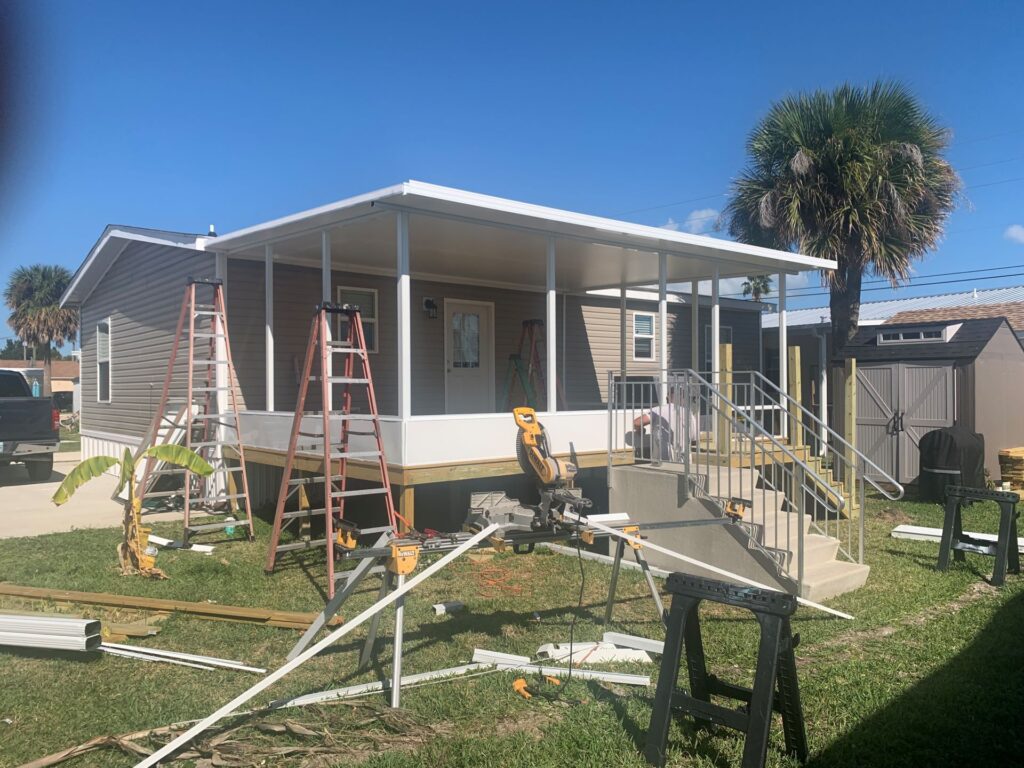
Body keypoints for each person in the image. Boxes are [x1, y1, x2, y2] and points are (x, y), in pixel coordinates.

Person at [633, 386, 696, 461]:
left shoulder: (657, 411)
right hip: (684, 462)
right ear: (682, 398)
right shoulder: (688, 413)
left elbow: (637, 422)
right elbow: (694, 438)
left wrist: (640, 430)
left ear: (668, 397)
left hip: (662, 460)